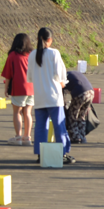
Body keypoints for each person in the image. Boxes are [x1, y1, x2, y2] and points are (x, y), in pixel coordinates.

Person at [26, 27, 74, 164]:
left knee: (40, 127)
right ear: (50, 40)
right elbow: (60, 75)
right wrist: (62, 83)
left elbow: (29, 77)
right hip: (54, 97)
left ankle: (41, 154)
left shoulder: (32, 55)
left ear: (37, 39)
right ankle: (62, 153)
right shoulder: (54, 53)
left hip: (39, 97)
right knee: (59, 126)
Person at [1, 33, 34, 146]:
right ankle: (27, 137)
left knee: (17, 112)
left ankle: (18, 137)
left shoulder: (13, 55)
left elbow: (8, 75)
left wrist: (6, 88)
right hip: (32, 87)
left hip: (18, 88)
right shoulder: (32, 55)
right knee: (28, 112)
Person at [64, 69, 94, 144]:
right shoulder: (73, 73)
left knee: (72, 115)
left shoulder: (63, 78)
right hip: (91, 92)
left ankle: (75, 138)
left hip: (80, 94)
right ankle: (82, 137)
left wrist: (64, 109)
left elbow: (62, 98)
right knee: (81, 115)